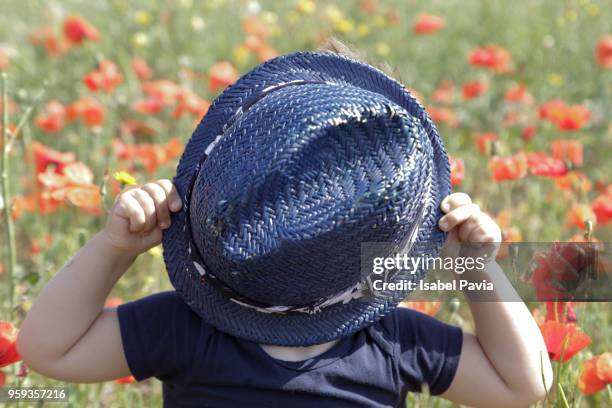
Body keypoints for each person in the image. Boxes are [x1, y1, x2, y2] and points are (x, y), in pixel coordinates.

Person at [18, 51, 552, 408]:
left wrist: (476, 268)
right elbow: (45, 348)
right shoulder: (188, 328)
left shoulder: (388, 336)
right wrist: (112, 249)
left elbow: (526, 384)